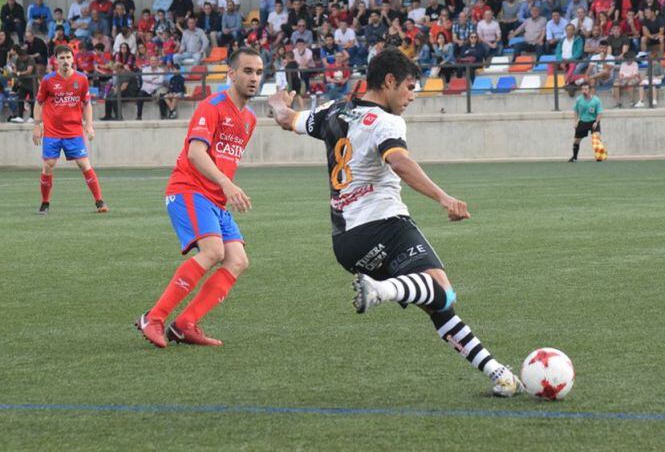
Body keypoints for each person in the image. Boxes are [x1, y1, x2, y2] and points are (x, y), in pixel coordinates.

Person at [267, 48, 525, 398]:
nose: (412, 95)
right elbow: (399, 161)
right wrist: (443, 197)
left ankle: (498, 374)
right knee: (443, 292)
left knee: (436, 301)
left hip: (346, 244)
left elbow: (287, 119)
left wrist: (277, 103)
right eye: (408, 87)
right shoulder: (387, 122)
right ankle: (381, 290)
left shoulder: (333, 110)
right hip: (385, 225)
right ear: (388, 81)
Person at [135, 48, 262, 348]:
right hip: (188, 189)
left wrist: (224, 188)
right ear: (231, 74)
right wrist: (227, 185)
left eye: (258, 72)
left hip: (215, 198)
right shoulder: (212, 106)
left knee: (237, 260)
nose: (254, 77)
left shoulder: (250, 119)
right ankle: (153, 318)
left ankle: (184, 324)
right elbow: (195, 153)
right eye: (247, 71)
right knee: (213, 251)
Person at [31, 45, 107, 215]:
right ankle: (45, 203)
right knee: (48, 165)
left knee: (83, 164)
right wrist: (37, 125)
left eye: (68, 57)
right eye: (62, 58)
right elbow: (39, 103)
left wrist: (88, 125)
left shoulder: (81, 79)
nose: (65, 61)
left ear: (73, 59)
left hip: (73, 130)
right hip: (52, 131)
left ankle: (99, 201)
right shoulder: (48, 80)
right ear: (56, 61)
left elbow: (87, 104)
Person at [569, 83, 603, 162]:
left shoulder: (596, 100)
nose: (584, 91)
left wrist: (596, 122)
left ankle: (599, 156)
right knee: (576, 140)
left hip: (593, 121)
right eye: (583, 89)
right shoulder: (579, 100)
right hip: (583, 121)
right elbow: (575, 111)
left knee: (596, 137)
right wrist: (576, 121)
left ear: (590, 90)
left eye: (586, 89)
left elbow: (599, 113)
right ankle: (574, 157)